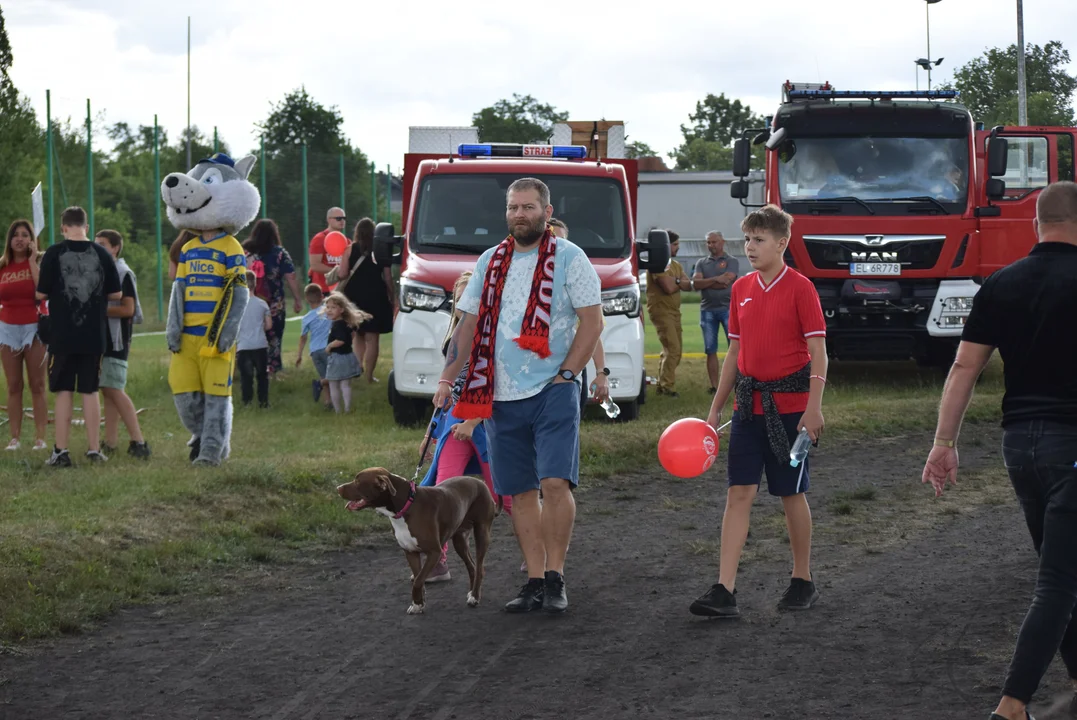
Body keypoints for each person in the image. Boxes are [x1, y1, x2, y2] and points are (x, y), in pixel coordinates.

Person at [921, 181, 1077, 720]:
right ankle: (1012, 705)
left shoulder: (1002, 284)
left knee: (1061, 567)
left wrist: (944, 442)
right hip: (1071, 444)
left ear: (1037, 225)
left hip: (1019, 448)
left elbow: (965, 366)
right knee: (1058, 582)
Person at [433, 177, 603, 615]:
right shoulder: (491, 261)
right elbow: (466, 326)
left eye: (528, 207)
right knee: (521, 491)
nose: (519, 215)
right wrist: (447, 379)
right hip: (500, 393)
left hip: (554, 389)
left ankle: (555, 575)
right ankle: (532, 580)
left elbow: (592, 322)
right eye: (512, 208)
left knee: (554, 481)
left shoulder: (570, 258)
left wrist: (570, 374)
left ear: (547, 212)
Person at [689, 204, 827, 618]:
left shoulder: (801, 288)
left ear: (781, 243)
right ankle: (724, 588)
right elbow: (735, 351)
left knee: (790, 494)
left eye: (759, 240)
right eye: (746, 239)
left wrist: (814, 409)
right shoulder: (741, 288)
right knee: (738, 492)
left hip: (791, 413)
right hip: (747, 409)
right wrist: (715, 409)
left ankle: (802, 579)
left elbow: (819, 352)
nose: (749, 247)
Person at [419, 271, 514, 584]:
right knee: (443, 489)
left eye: (469, 296)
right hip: (453, 421)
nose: (463, 302)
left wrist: (474, 422)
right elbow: (447, 392)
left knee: (505, 493)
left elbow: (496, 381)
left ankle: (537, 552)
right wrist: (430, 432)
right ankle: (438, 562)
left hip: (486, 421)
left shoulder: (492, 334)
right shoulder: (454, 336)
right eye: (459, 297)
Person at [36, 206, 122, 467]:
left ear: (63, 227)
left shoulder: (53, 253)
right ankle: (94, 449)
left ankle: (61, 451)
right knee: (90, 390)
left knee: (63, 390)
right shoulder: (102, 253)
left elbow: (41, 295)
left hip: (62, 334)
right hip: (93, 334)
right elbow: (116, 295)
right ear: (87, 227)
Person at [94, 230, 151, 459]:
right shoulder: (100, 272)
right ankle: (110, 441)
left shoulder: (122, 273)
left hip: (116, 340)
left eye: (103, 244)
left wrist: (99, 311)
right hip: (101, 339)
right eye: (96, 244)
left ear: (115, 248)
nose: (98, 248)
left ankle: (138, 441)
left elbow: (128, 309)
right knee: (107, 389)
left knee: (114, 389)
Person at [549, 218, 609, 405]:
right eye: (550, 240)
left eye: (562, 241)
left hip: (567, 371)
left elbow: (592, 329)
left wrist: (601, 373)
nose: (556, 247)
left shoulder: (579, 279)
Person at [0, 220, 48, 451]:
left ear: (31, 240)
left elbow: (42, 293)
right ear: (9, 240)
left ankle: (40, 438)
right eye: (15, 235)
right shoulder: (2, 266)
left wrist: (31, 261)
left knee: (37, 384)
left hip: (35, 327)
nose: (19, 238)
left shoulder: (38, 263)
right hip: (8, 329)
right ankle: (15, 438)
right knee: (13, 385)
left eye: (24, 235)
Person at [336, 217, 395, 384]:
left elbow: (342, 274)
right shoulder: (380, 250)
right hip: (376, 295)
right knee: (372, 337)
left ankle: (356, 371)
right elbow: (388, 277)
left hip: (353, 296)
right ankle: (369, 376)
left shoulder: (349, 249)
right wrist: (392, 295)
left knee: (358, 335)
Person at [242, 219, 301, 377]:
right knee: (274, 337)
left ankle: (247, 367)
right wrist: (297, 299)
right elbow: (291, 277)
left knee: (248, 334)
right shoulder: (280, 253)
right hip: (274, 303)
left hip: (248, 302)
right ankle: (272, 369)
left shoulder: (245, 251)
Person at [693, 231, 739, 394]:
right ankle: (715, 386)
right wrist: (715, 280)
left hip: (728, 309)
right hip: (708, 310)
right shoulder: (701, 262)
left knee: (734, 348)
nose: (711, 245)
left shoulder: (731, 261)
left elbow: (727, 281)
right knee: (710, 349)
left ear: (722, 242)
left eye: (714, 242)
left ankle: (735, 383)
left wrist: (707, 282)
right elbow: (696, 284)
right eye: (708, 242)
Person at [646, 230, 690, 397]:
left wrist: (677, 281)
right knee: (673, 348)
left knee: (674, 350)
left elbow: (687, 284)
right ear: (666, 246)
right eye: (675, 244)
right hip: (661, 311)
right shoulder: (658, 264)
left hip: (674, 311)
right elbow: (669, 287)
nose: (677, 248)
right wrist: (678, 281)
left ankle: (662, 382)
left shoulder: (676, 265)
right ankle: (667, 387)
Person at [322, 291, 370, 414]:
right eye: (328, 307)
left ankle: (338, 411)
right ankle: (348, 408)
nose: (329, 310)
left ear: (342, 309)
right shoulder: (347, 323)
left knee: (334, 385)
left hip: (337, 358)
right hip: (349, 356)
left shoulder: (337, 325)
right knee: (346, 385)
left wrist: (329, 347)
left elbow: (341, 340)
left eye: (333, 308)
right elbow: (352, 334)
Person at [235, 270, 272, 408]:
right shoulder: (262, 304)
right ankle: (263, 402)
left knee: (246, 377)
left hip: (243, 346)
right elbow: (269, 325)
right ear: (255, 284)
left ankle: (247, 402)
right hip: (260, 344)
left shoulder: (237, 306)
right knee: (262, 376)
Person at [296, 283, 333, 409]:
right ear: (322, 296)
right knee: (334, 376)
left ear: (306, 299)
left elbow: (303, 337)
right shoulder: (329, 312)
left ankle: (328, 402)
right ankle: (319, 385)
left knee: (324, 375)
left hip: (315, 351)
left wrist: (299, 355)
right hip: (328, 349)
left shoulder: (306, 318)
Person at [308, 207, 348, 293]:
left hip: (341, 290)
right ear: (329, 220)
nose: (342, 221)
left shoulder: (347, 241)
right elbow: (315, 265)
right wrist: (337, 271)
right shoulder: (319, 239)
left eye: (344, 218)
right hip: (323, 289)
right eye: (338, 218)